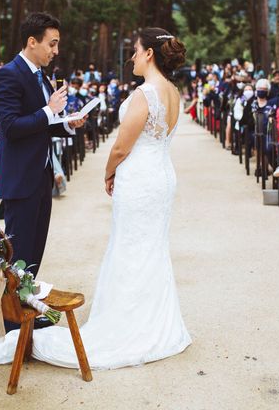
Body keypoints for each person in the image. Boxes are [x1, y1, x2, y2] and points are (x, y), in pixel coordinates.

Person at [33, 27, 192, 369]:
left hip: (140, 178)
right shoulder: (174, 92)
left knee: (130, 246)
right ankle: (155, 322)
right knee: (151, 247)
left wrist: (108, 171)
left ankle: (129, 326)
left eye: (136, 50)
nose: (132, 56)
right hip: (162, 175)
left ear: (149, 53)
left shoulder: (144, 94)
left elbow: (122, 146)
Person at [0, 12, 86, 331]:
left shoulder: (41, 76)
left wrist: (67, 123)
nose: (55, 50)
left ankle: (27, 306)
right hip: (19, 179)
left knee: (34, 250)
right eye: (52, 43)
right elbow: (12, 127)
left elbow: (44, 126)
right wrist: (49, 111)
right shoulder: (7, 76)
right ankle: (12, 322)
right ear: (32, 42)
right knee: (17, 253)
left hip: (41, 176)